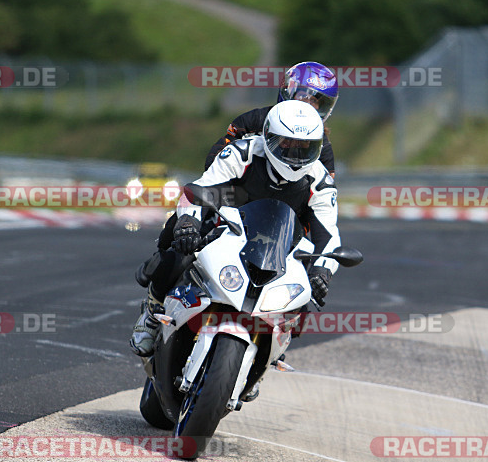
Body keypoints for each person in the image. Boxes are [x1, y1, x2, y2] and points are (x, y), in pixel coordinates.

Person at [130, 101, 340, 363]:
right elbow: (200, 188)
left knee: (302, 301)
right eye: (286, 143)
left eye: (304, 147)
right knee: (179, 253)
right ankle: (152, 312)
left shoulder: (320, 182)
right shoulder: (243, 153)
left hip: (277, 248)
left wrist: (323, 270)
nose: (294, 155)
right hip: (226, 227)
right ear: (269, 136)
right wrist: (188, 223)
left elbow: (328, 235)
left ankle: (264, 358)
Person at [204, 61, 339, 177]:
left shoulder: (320, 142)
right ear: (288, 92)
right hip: (248, 194)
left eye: (314, 101)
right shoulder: (253, 120)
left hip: (290, 199)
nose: (306, 104)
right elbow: (219, 156)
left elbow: (326, 184)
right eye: (302, 96)